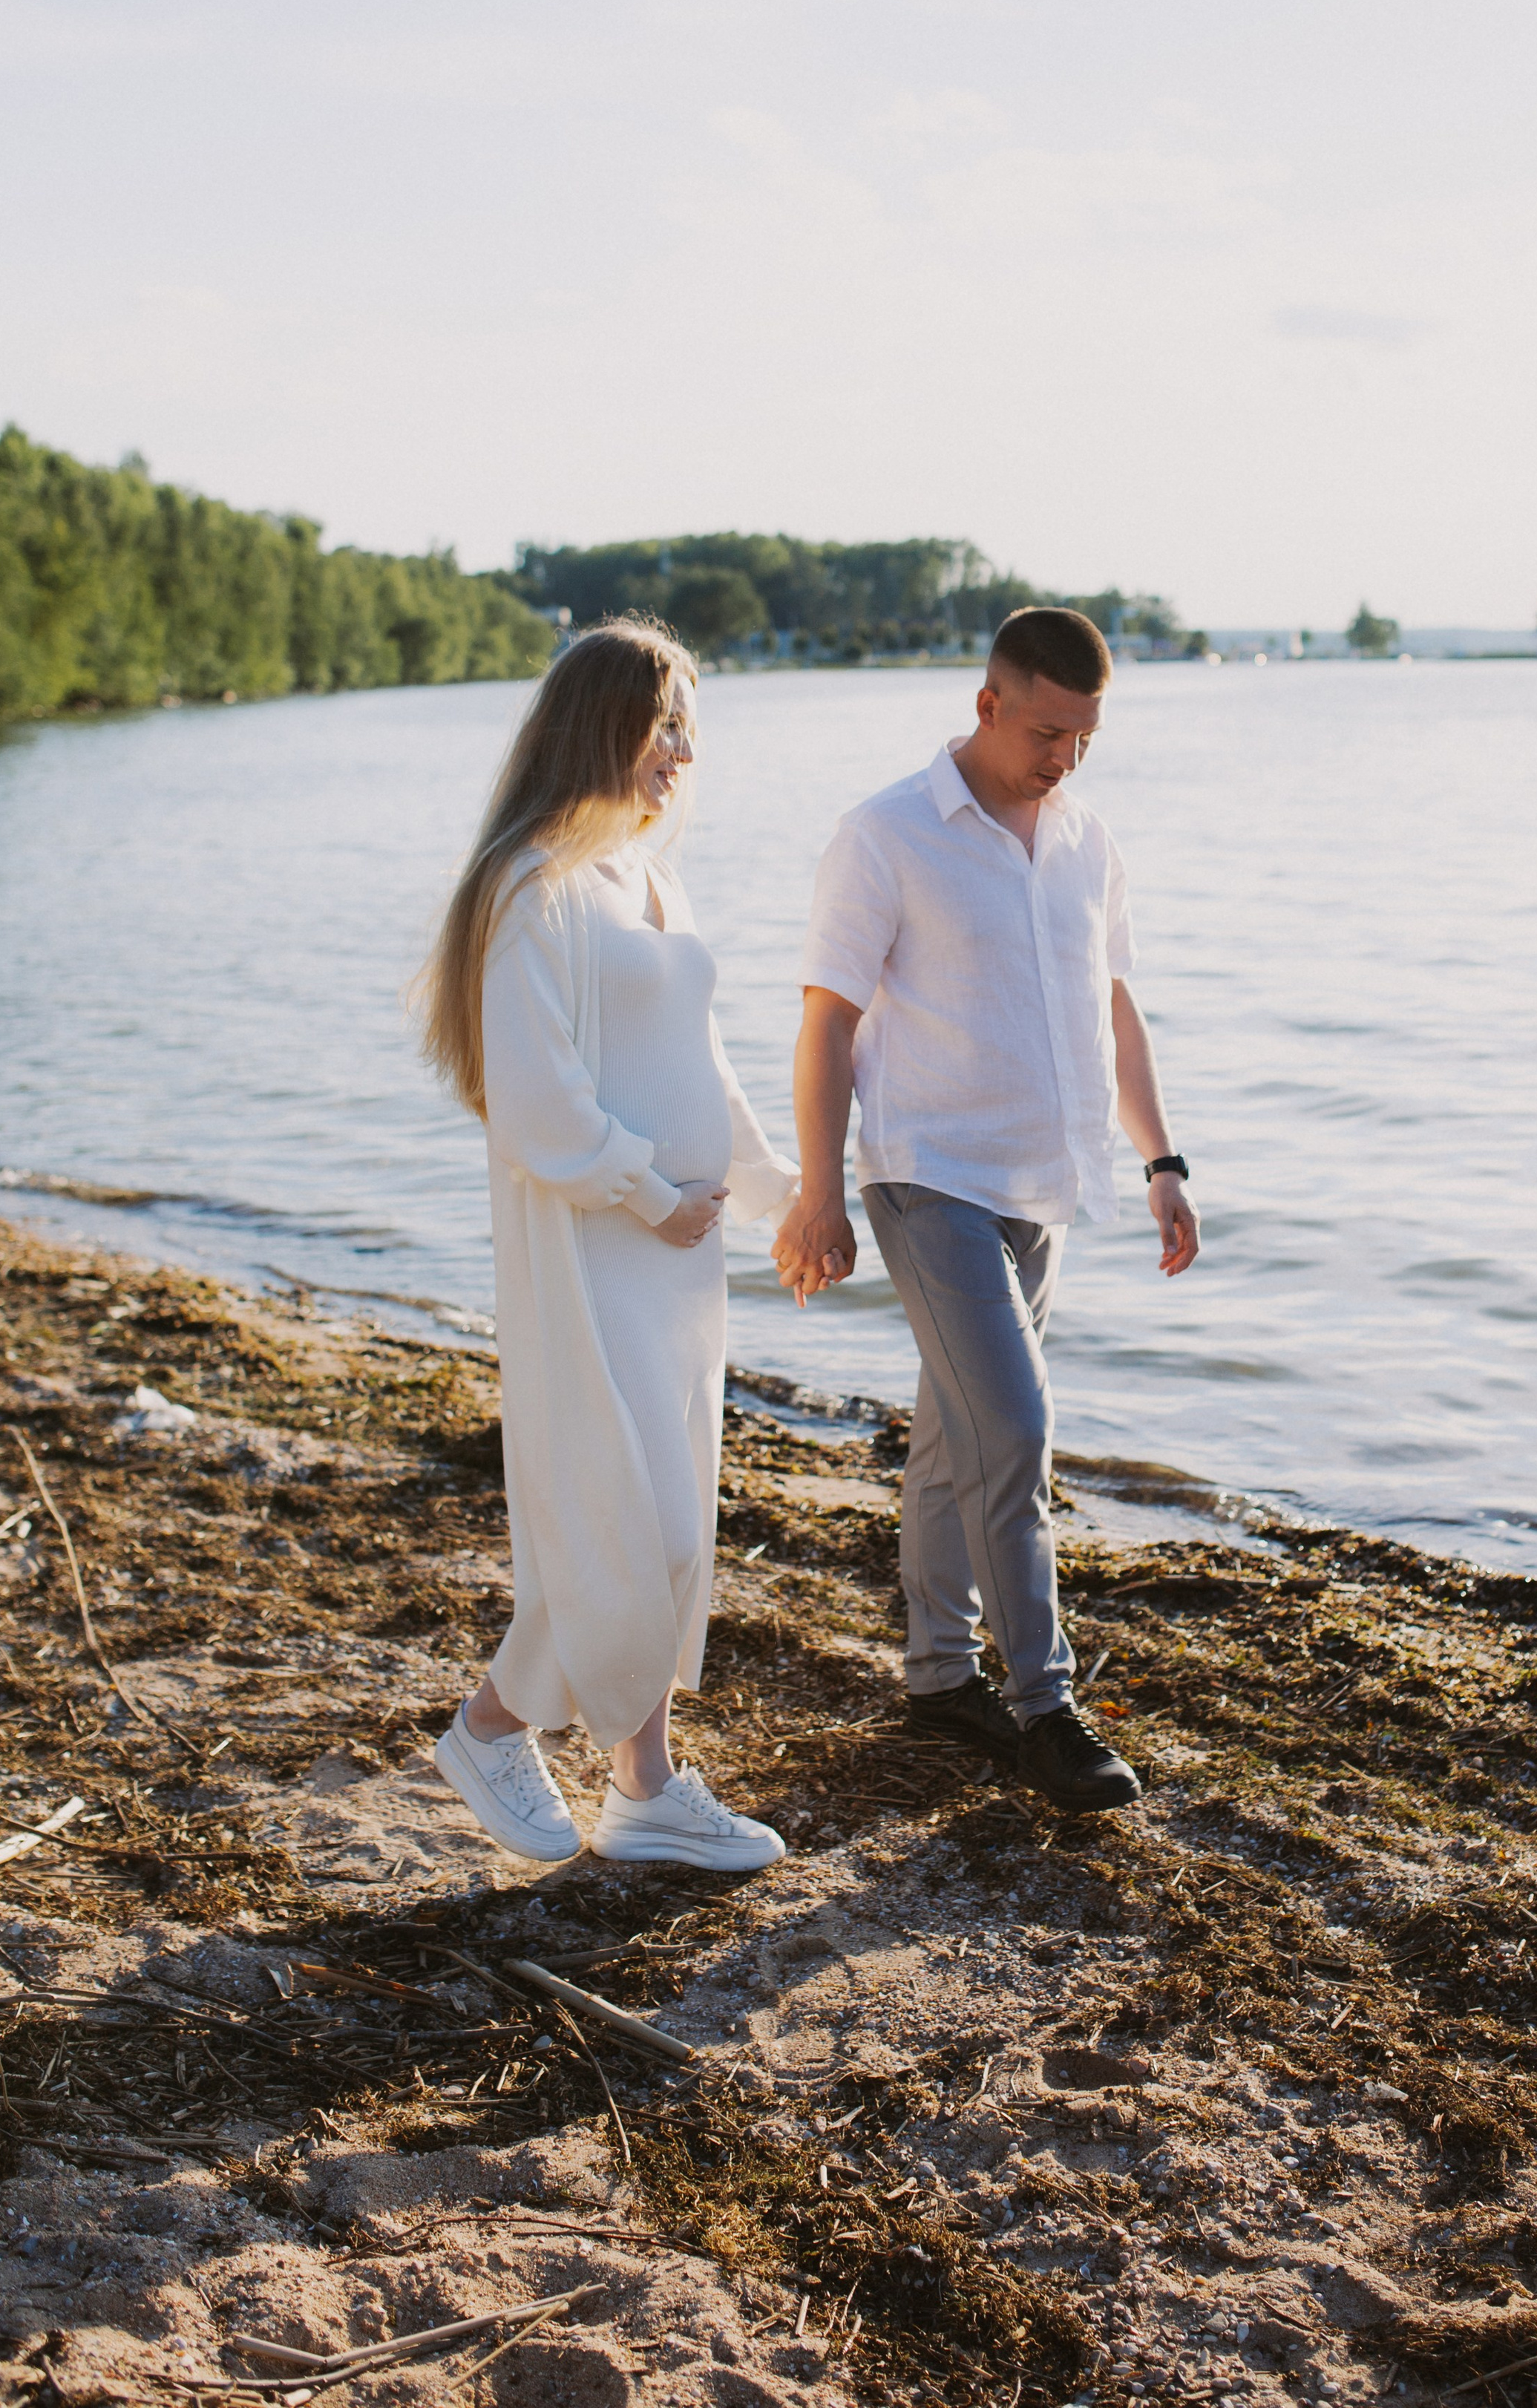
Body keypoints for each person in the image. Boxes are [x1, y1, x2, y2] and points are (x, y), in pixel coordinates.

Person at [772, 606, 1200, 1813]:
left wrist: (1164, 1161)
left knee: (959, 1437)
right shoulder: (886, 835)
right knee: (1012, 1430)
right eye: (1048, 731)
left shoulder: (1085, 841)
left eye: (1086, 737)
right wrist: (818, 1195)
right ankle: (1044, 1709)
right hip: (927, 1177)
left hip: (1045, 1186)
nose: (1063, 758)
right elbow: (827, 1027)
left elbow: (1114, 1013)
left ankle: (938, 1676)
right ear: (989, 704)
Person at [418, 618, 796, 1871]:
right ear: (601, 726)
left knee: (673, 1515)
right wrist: (648, 1191)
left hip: (680, 1259)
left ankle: (644, 1790)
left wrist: (775, 1193)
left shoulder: (645, 875)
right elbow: (535, 1101)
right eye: (664, 723)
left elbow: (703, 1065)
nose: (682, 752)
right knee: (638, 1527)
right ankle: (490, 1725)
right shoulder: (532, 887)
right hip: (599, 1252)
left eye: (690, 726)